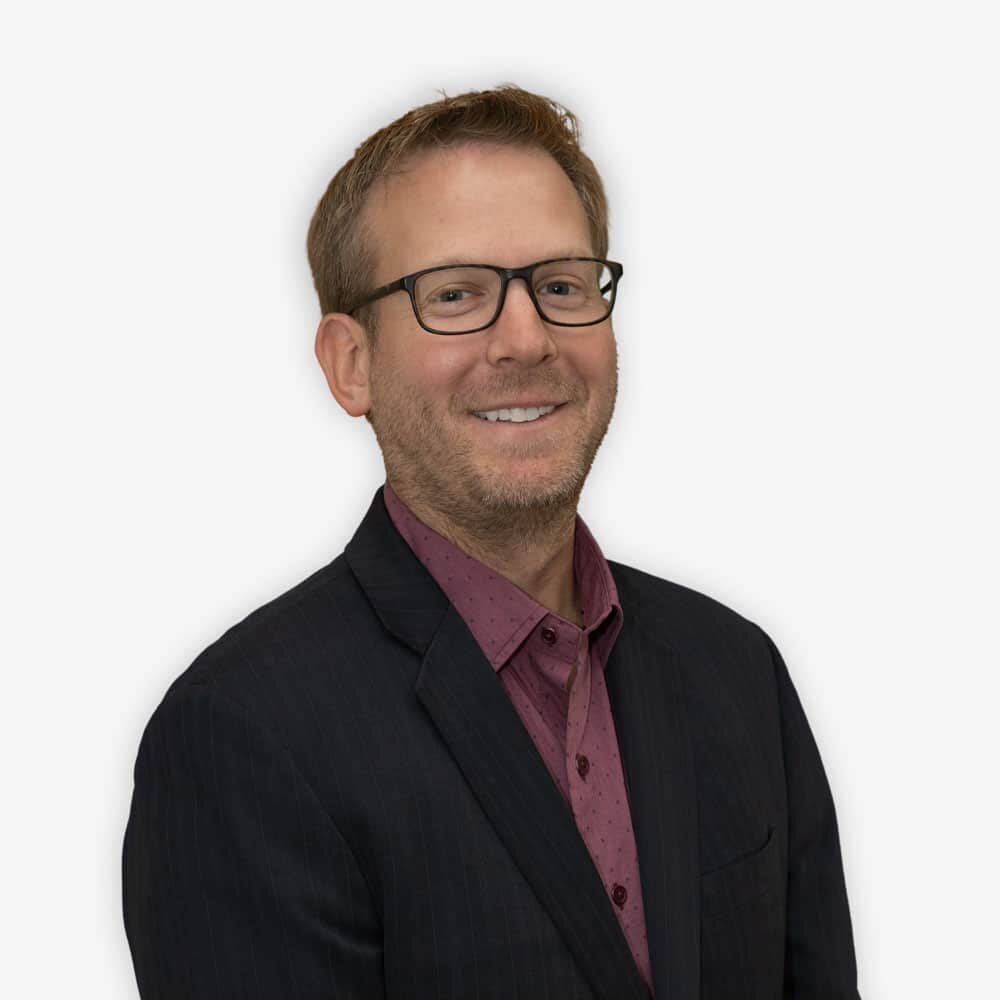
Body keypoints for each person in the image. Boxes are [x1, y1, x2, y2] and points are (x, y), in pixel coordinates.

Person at [122, 84, 861, 999]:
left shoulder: (737, 670)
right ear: (351, 365)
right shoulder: (241, 736)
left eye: (560, 284)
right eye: (457, 294)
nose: (526, 337)